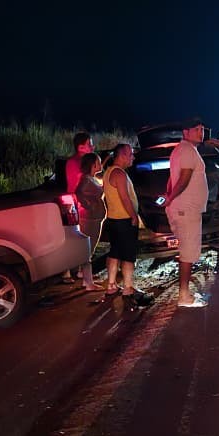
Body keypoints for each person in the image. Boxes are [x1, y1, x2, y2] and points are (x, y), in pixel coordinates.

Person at [163, 118, 211, 307]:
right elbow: (183, 179)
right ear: (186, 132)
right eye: (196, 129)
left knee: (187, 251)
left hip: (185, 209)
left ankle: (185, 293)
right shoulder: (188, 151)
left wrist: (169, 195)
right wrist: (170, 198)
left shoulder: (182, 150)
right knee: (188, 253)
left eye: (202, 129)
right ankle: (184, 296)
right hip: (187, 210)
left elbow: (172, 178)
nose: (201, 132)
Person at [102, 144, 152, 306]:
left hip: (113, 219)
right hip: (124, 220)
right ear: (122, 155)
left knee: (115, 252)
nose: (133, 157)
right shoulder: (119, 173)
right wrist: (133, 216)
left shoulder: (109, 172)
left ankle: (111, 285)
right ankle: (128, 288)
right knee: (128, 255)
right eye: (130, 154)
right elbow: (125, 198)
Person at [61, 131, 94, 284]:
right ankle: (66, 272)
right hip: (73, 204)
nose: (92, 147)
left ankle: (81, 271)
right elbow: (75, 185)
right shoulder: (74, 163)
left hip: (79, 203)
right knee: (73, 237)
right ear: (81, 147)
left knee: (82, 237)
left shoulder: (81, 162)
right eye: (89, 144)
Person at [74, 152, 106, 292]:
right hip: (89, 219)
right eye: (98, 162)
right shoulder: (87, 180)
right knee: (88, 248)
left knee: (89, 248)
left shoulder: (91, 179)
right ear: (93, 165)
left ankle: (84, 274)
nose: (100, 164)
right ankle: (88, 282)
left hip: (94, 217)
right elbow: (78, 192)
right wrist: (88, 205)